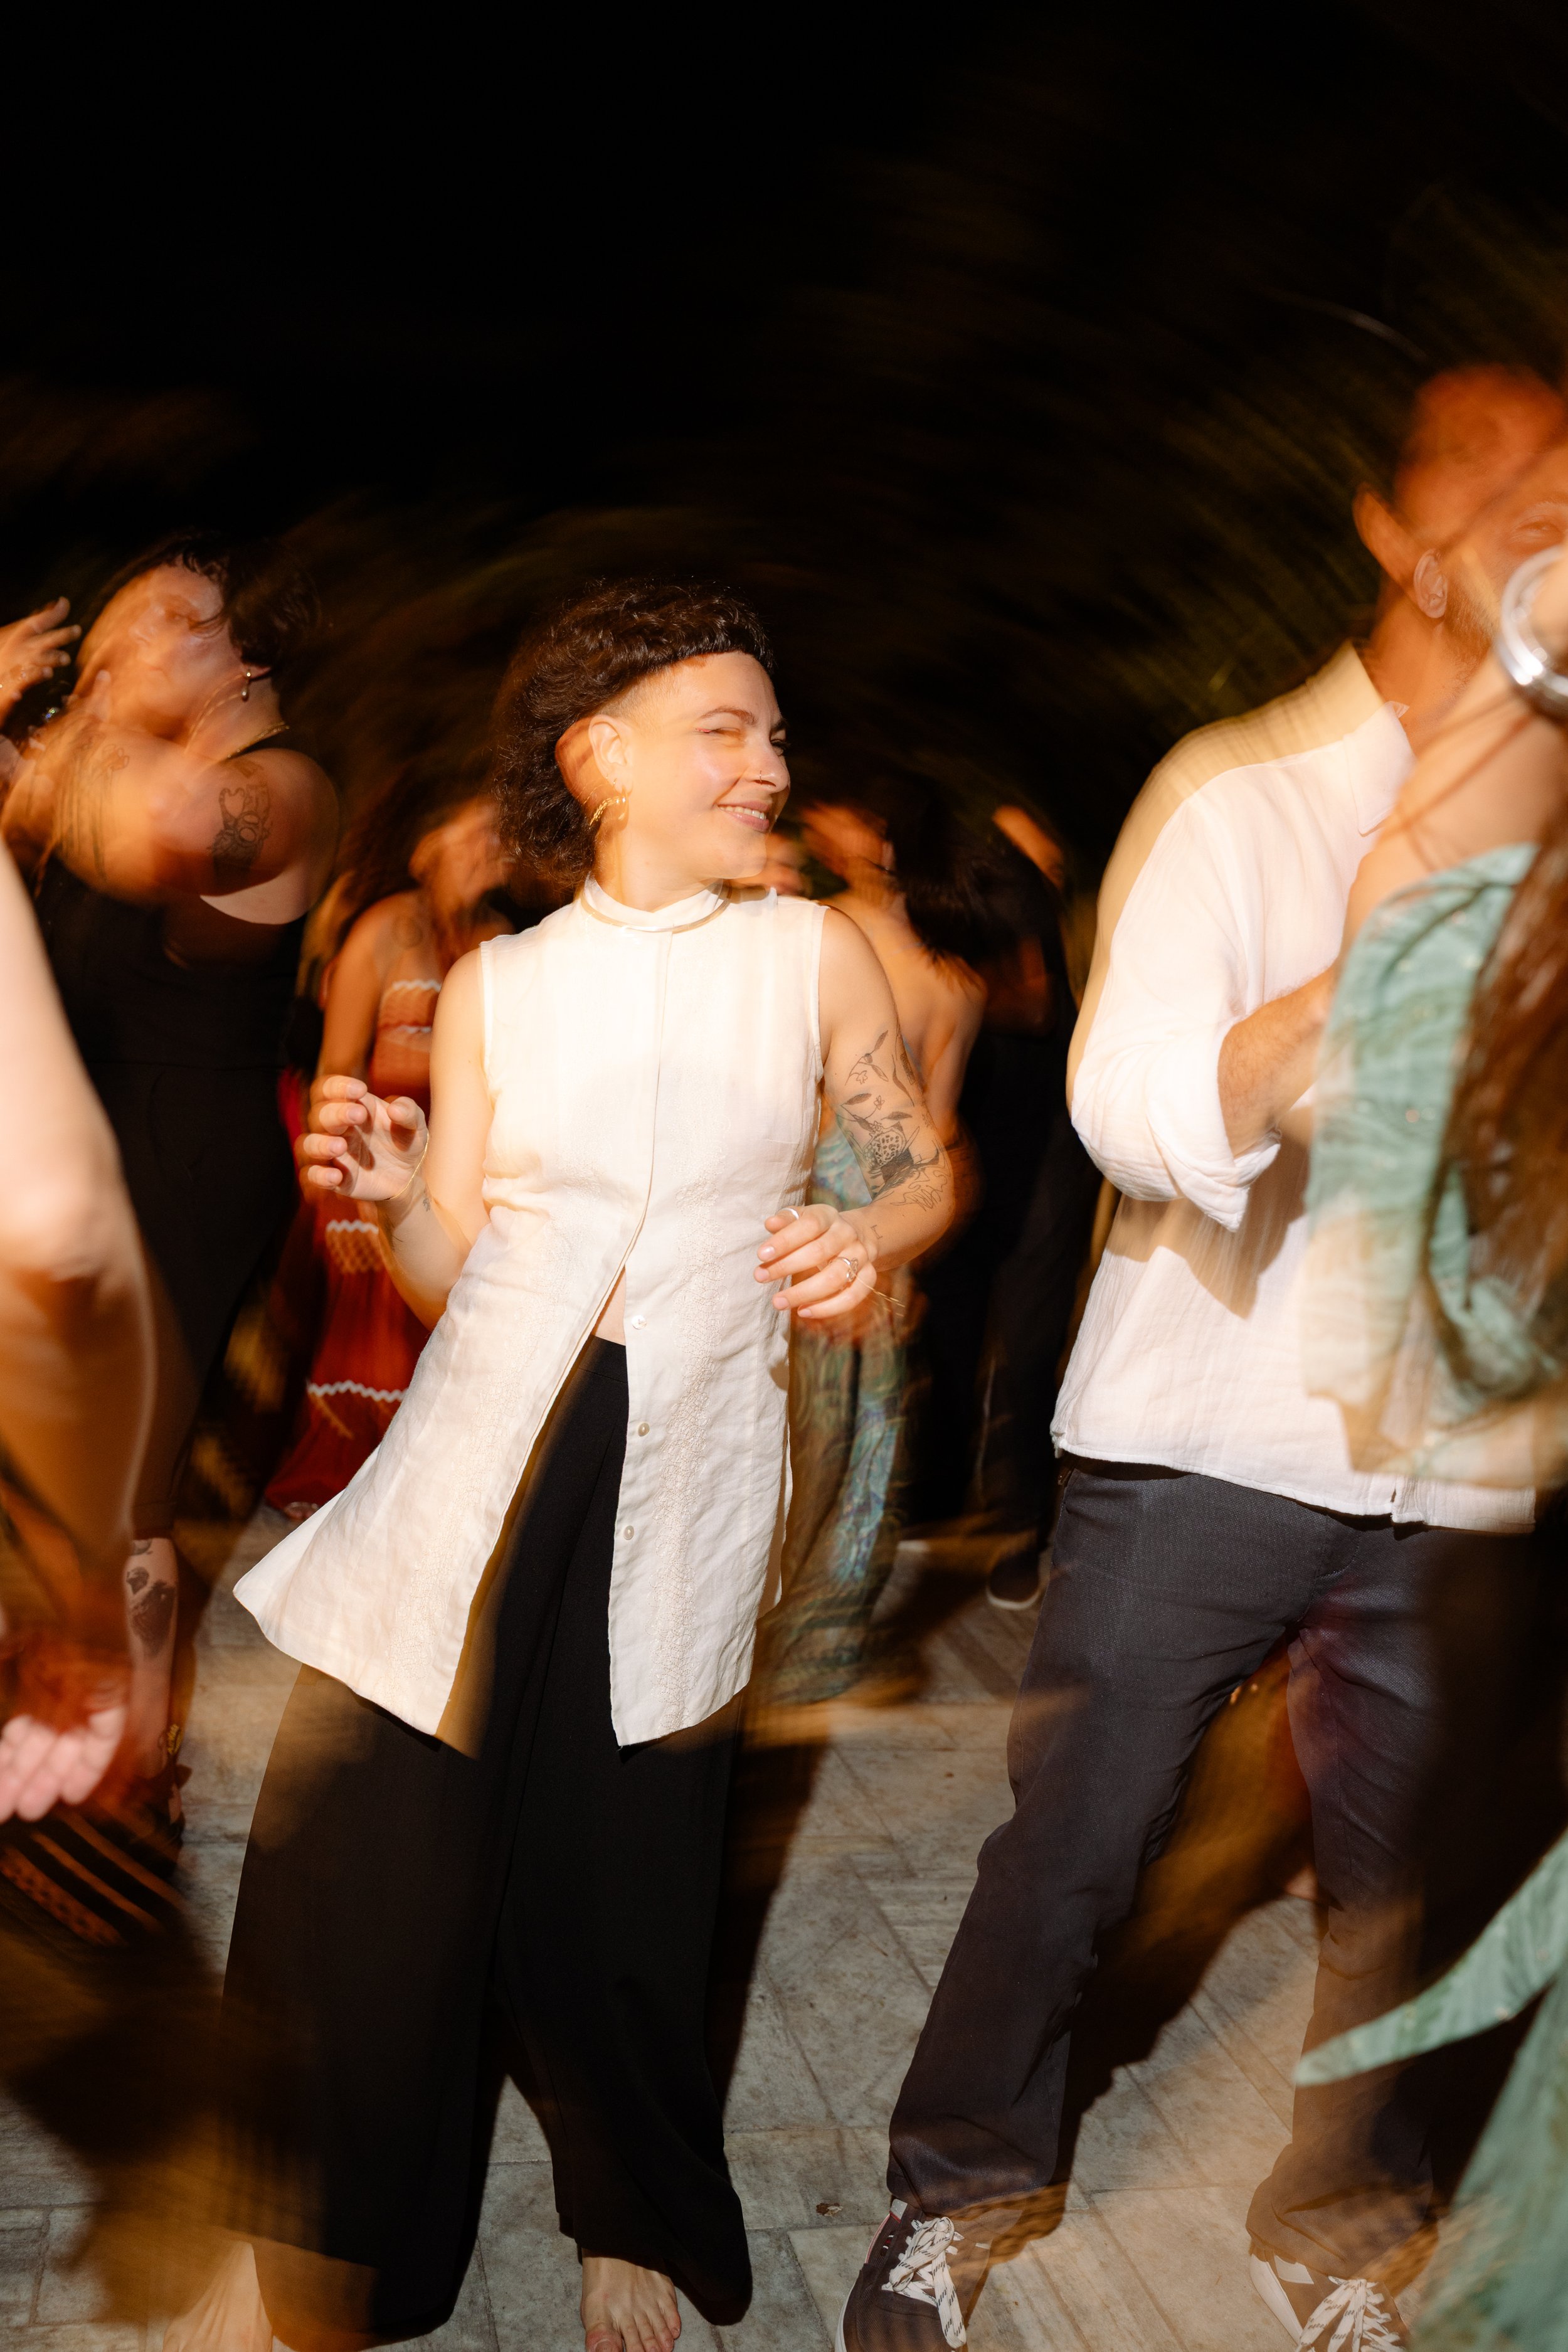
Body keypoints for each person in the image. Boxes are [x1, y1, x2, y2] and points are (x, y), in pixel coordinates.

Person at [837, 364, 1568, 2352]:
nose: (1543, 524)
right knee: (1076, 1851)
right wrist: (1379, 963)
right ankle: (955, 2183)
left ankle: (1334, 2221)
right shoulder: (1239, 792)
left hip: (1463, 1461)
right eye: (1502, 490)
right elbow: (1125, 1102)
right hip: (1208, 1430)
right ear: (1397, 534)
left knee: (1408, 1885)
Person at [166, 578, 955, 2352]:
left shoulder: (811, 953)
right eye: (724, 729)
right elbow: (452, 1267)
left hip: (683, 1452)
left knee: (627, 1870)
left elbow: (920, 1162)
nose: (768, 764)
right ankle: (311, 2226)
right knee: (362, 1840)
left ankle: (626, 2212)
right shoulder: (499, 985)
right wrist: (392, 1208)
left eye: (773, 731)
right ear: (599, 755)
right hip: (478, 1455)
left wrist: (871, 1231)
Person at [0, 535, 337, 1834]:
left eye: (168, 620)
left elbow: (153, 833)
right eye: (121, 625)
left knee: (131, 1486)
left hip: (187, 1159)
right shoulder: (108, 770)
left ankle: (131, 1779)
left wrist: (85, 710)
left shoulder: (281, 785)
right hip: (104, 1135)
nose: (132, 644)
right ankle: (77, 1715)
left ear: (244, 650)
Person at [762, 783, 984, 1706]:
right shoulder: (957, 982)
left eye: (847, 815)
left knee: (799, 1428)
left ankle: (763, 1633)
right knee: (865, 1433)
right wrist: (906, 1258)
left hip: (808, 1209)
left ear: (885, 841)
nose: (823, 827)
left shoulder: (819, 937)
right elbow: (940, 1135)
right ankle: (820, 1638)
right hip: (886, 1218)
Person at [264, 784, 515, 1516]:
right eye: (473, 833)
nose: (490, 850)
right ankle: (354, 1496)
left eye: (498, 838)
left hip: (463, 1161)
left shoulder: (500, 940)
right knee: (369, 1338)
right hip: (380, 1155)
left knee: (449, 1330)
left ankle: (431, 1493)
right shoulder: (384, 930)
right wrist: (334, 1176)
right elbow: (338, 1065)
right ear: (425, 847)